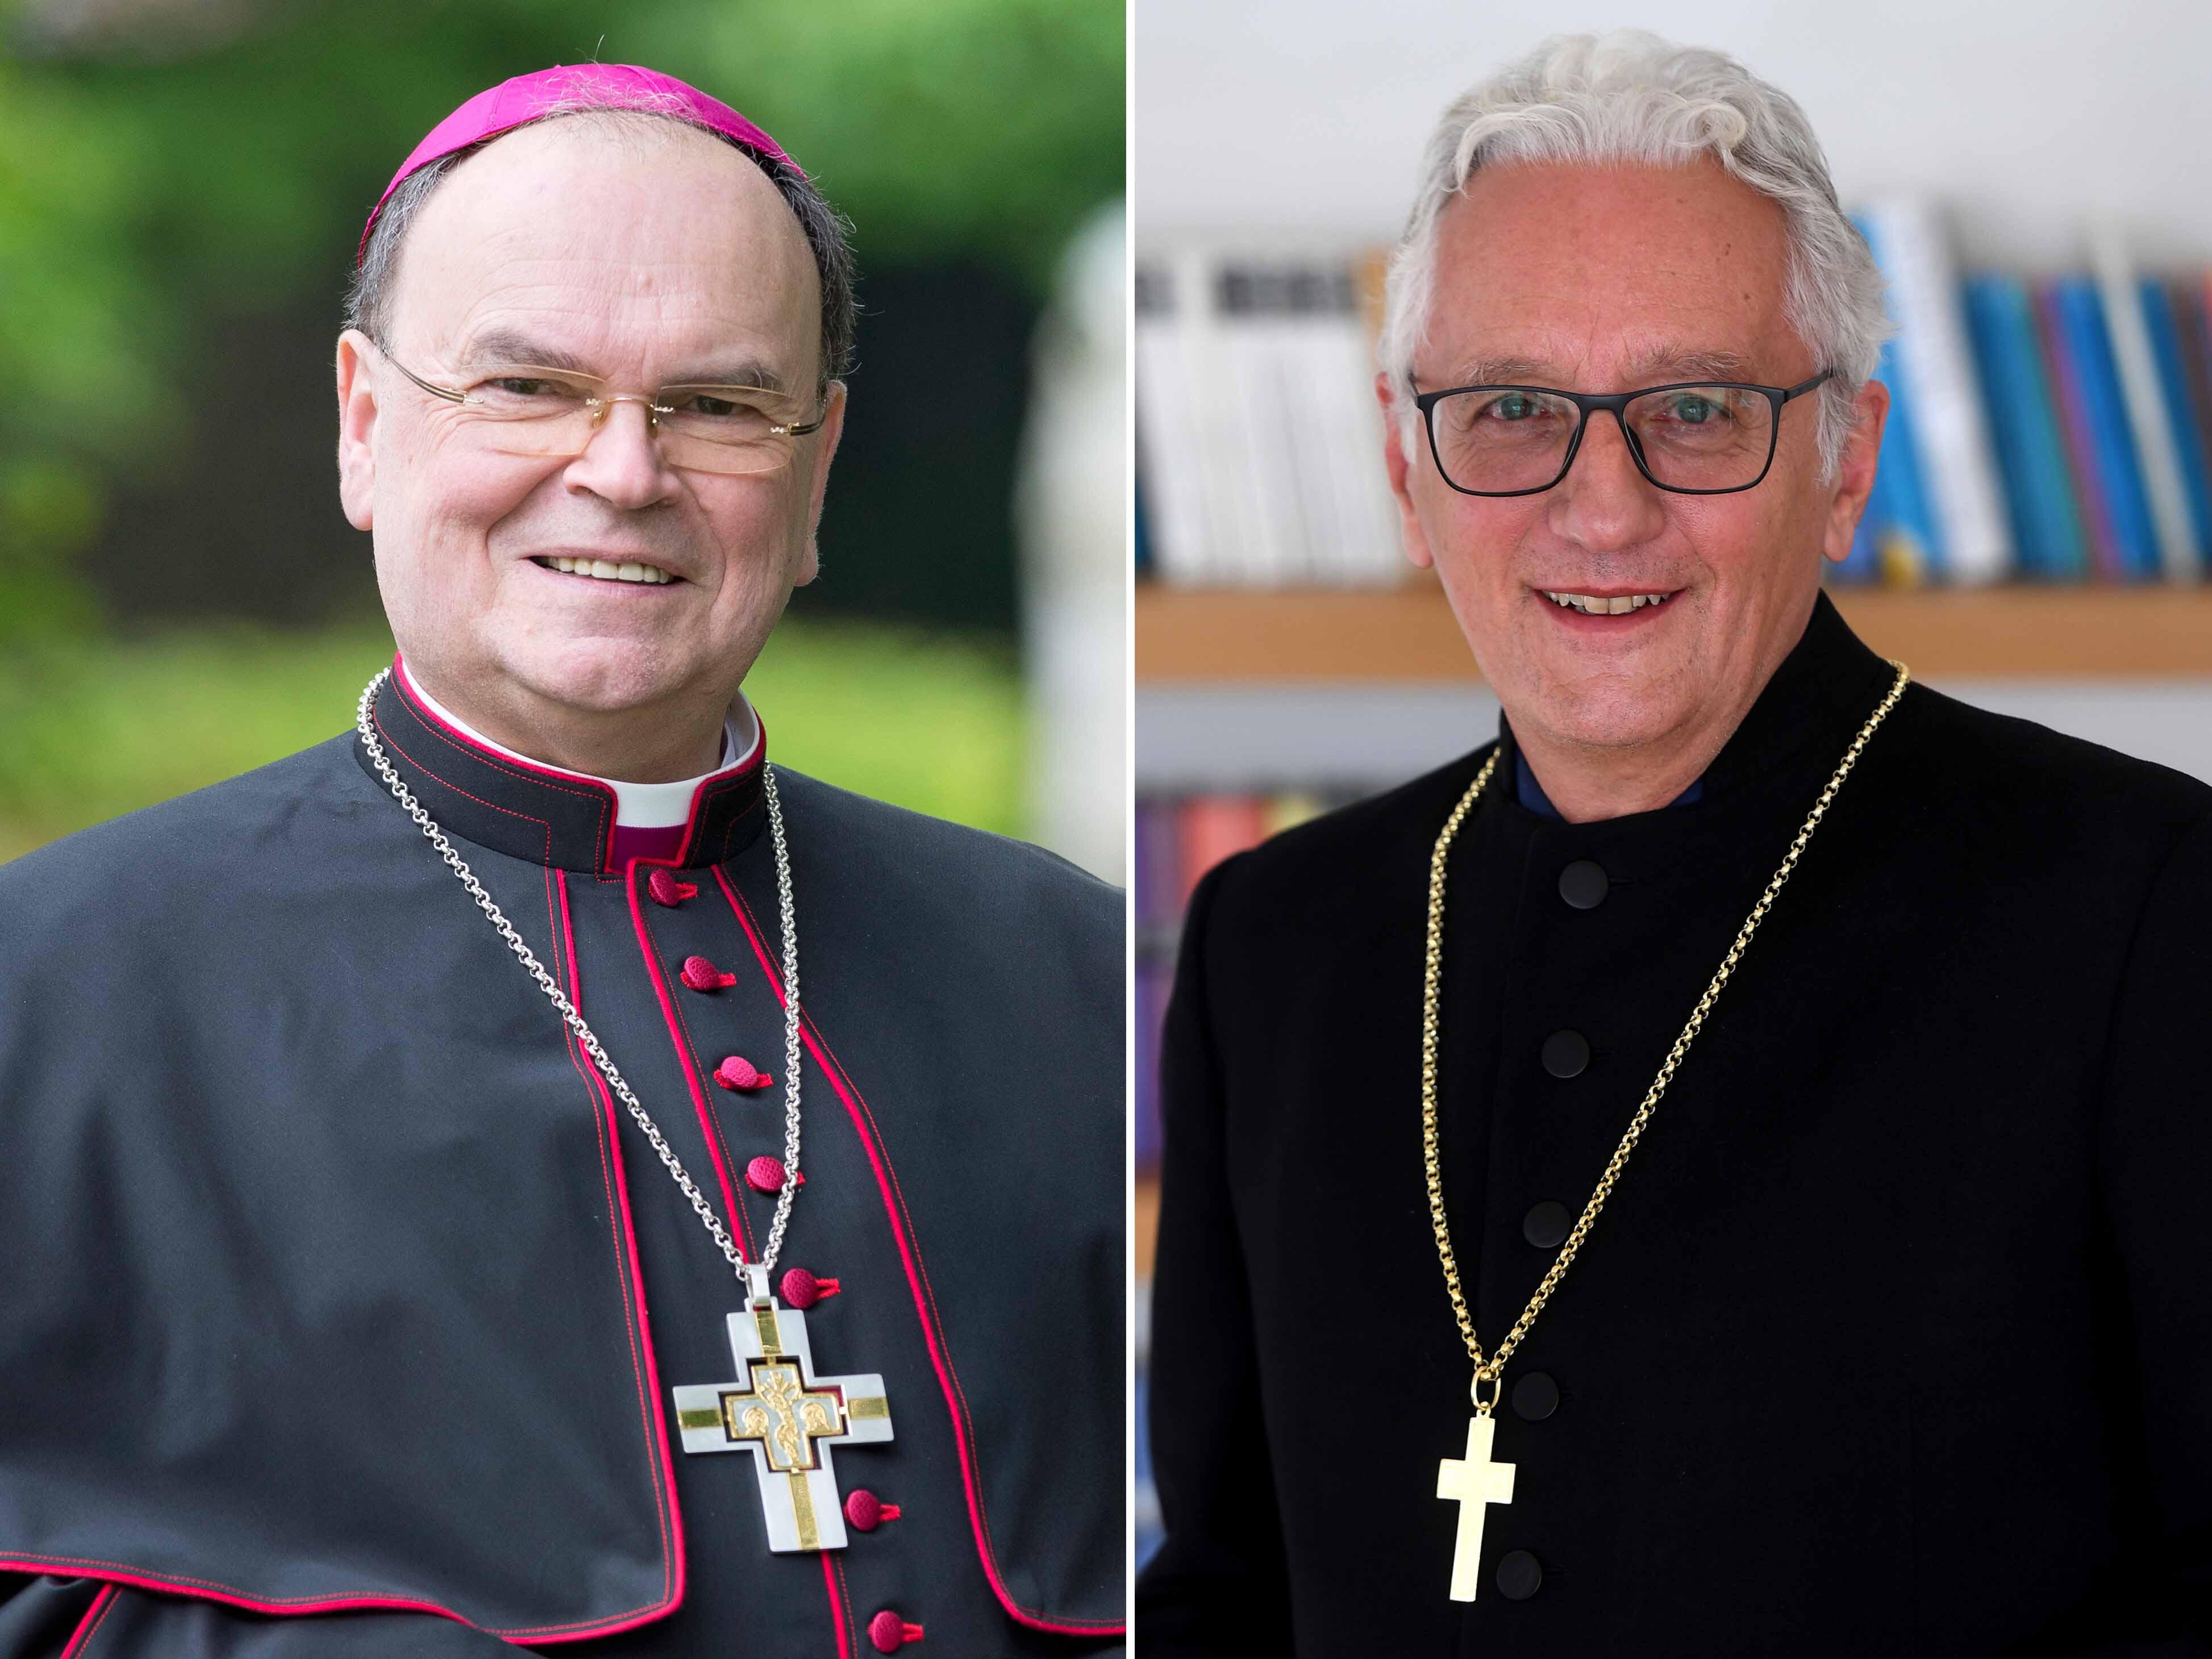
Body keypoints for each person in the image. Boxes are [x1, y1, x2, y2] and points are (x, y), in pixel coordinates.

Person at [0, 65, 1123, 1657]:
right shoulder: (44, 993)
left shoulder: (1071, 971)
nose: (623, 471)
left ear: (815, 475)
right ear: (366, 427)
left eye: (719, 406)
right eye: (527, 388)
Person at [1137, 31, 2211, 1656]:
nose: (1604, 508)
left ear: (1846, 460)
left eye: (1696, 409)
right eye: (1509, 411)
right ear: (1401, 460)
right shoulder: (1274, 941)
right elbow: (1223, 1595)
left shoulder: (2146, 904)